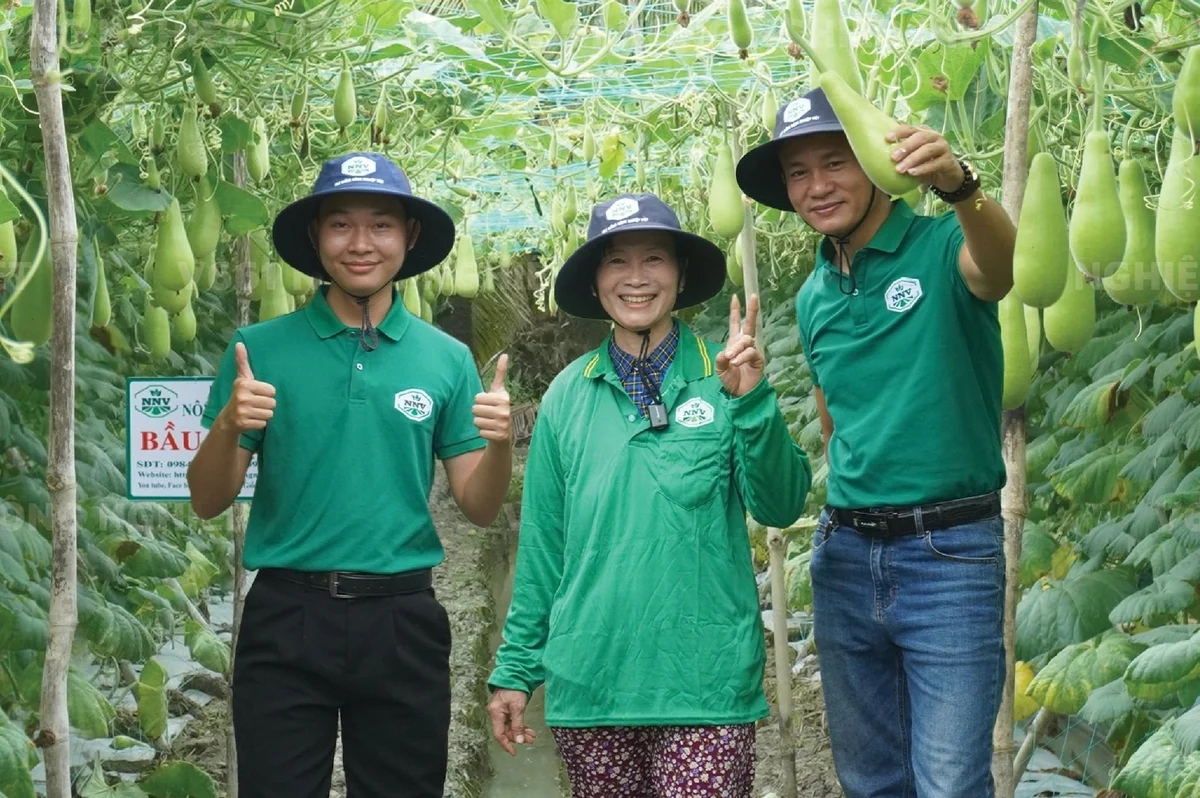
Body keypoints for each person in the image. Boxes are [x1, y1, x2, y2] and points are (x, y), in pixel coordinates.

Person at [187, 152, 514, 798]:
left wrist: (500, 445)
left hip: (402, 618)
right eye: (340, 225)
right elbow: (207, 498)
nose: (361, 244)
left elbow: (478, 506)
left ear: (409, 237)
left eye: (381, 225)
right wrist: (229, 423)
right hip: (286, 616)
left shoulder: (446, 359)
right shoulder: (260, 349)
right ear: (316, 237)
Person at [735, 88, 1017, 797]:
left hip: (949, 554)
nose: (817, 185)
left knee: (951, 782)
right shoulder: (813, 296)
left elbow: (1004, 267)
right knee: (870, 781)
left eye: (836, 161)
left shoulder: (944, 242)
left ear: (874, 162)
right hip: (847, 557)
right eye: (798, 172)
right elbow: (834, 424)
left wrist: (960, 187)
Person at [485, 192, 812, 797]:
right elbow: (542, 550)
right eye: (617, 261)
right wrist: (515, 670)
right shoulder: (565, 397)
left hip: (704, 683)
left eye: (654, 259)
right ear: (595, 280)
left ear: (681, 274)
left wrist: (750, 402)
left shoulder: (726, 375)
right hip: (592, 682)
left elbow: (781, 505)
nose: (636, 279)